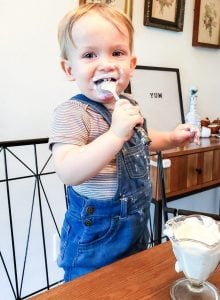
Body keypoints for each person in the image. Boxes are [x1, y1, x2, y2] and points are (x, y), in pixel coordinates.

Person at [49, 3, 200, 282]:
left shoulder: (129, 104)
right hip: (93, 242)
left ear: (131, 65)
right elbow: (67, 170)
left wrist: (173, 137)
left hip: (135, 231)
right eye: (90, 54)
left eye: (117, 53)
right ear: (69, 69)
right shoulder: (72, 113)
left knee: (132, 286)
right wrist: (115, 134)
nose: (106, 63)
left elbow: (143, 140)